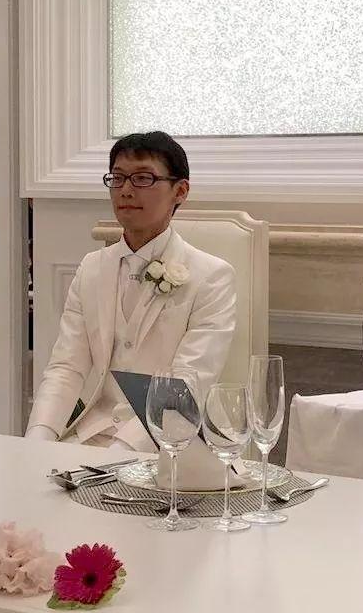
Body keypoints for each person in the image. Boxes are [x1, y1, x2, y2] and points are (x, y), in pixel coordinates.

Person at [26, 131, 236, 452]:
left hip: (169, 444)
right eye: (118, 178)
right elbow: (66, 368)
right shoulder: (92, 268)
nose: (125, 190)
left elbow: (186, 385)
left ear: (180, 190)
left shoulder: (211, 276)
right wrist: (37, 440)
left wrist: (118, 455)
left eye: (142, 179)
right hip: (89, 433)